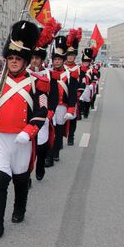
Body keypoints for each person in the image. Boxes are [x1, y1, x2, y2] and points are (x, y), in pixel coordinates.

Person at [0, 20, 49, 242]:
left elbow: (42, 110)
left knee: (20, 178)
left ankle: (20, 208)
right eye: (11, 58)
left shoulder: (38, 83)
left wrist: (29, 131)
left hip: (23, 140)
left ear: (25, 61)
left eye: (18, 58)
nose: (14, 61)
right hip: (0, 137)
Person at [28, 19, 60, 181]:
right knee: (27, 148)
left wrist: (50, 112)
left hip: (44, 116)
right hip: (27, 116)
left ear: (42, 59)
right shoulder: (24, 74)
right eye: (32, 57)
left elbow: (54, 96)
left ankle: (40, 164)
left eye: (37, 58)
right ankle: (26, 176)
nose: (34, 61)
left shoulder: (49, 75)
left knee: (41, 146)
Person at [45, 35, 78, 166]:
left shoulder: (70, 75)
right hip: (50, 106)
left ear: (63, 60)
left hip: (62, 106)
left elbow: (73, 94)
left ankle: (55, 153)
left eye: (59, 59)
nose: (57, 62)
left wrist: (71, 109)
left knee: (58, 131)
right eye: (55, 59)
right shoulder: (48, 73)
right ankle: (48, 154)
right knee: (48, 130)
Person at [64, 28, 82, 146]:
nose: (70, 58)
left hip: (73, 97)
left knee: (73, 118)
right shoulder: (61, 68)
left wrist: (77, 95)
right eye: (68, 55)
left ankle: (71, 136)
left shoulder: (78, 69)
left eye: (72, 56)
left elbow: (81, 84)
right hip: (62, 97)